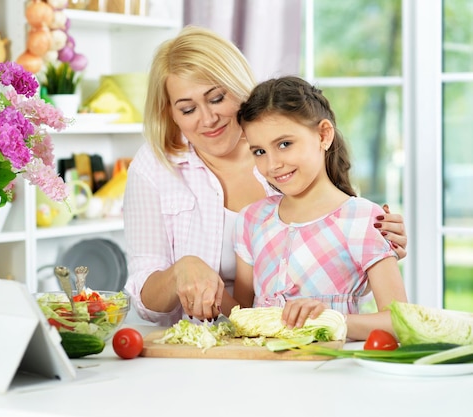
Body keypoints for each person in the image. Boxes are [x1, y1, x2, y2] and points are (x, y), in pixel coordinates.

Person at [123, 25, 408, 327]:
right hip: (221, 346)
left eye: (217, 98)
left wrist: (377, 244)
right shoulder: (249, 217)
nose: (207, 119)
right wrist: (184, 273)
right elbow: (244, 313)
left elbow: (373, 295)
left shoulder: (313, 171)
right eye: (188, 108)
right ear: (170, 113)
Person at [233, 76, 408, 340]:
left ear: (324, 135)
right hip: (264, 372)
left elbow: (398, 322)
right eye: (259, 151)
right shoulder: (252, 219)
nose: (273, 164)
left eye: (284, 144)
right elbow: (241, 314)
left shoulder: (363, 219)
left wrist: (331, 319)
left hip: (333, 370)